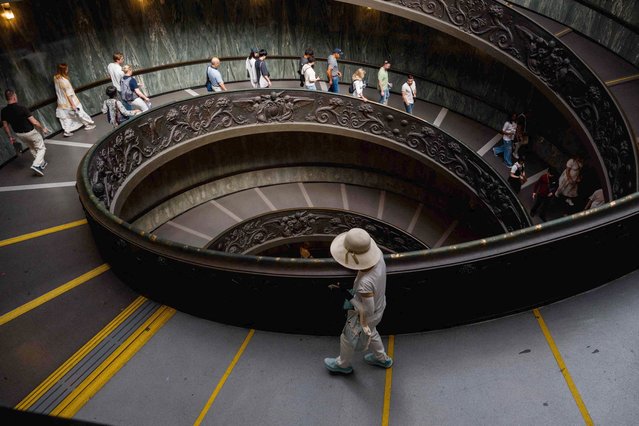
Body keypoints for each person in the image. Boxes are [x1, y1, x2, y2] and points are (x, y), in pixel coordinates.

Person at [324, 228, 393, 374]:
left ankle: (343, 365)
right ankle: (382, 358)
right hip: (380, 307)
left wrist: (346, 294)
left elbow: (367, 310)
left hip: (366, 316)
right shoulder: (378, 256)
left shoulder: (365, 283)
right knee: (372, 332)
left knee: (347, 338)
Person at [2, 89, 50, 176]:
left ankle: (41, 163)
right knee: (41, 148)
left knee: (31, 147)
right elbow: (34, 122)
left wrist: (10, 137)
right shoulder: (22, 108)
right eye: (16, 95)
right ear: (13, 97)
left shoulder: (3, 111)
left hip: (19, 134)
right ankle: (36, 165)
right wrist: (43, 128)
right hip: (30, 132)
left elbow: (5, 126)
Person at [53, 63, 96, 137]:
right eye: (66, 69)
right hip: (71, 102)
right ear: (64, 70)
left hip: (61, 102)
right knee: (80, 113)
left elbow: (61, 90)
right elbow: (69, 94)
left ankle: (67, 131)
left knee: (67, 118)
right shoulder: (65, 81)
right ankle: (88, 125)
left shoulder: (56, 78)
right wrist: (73, 105)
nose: (68, 70)